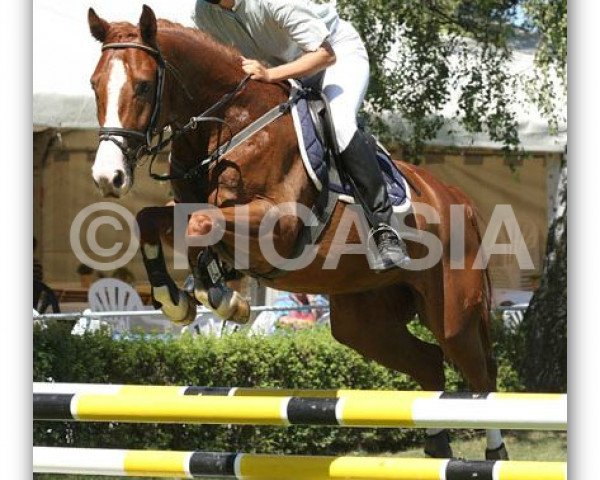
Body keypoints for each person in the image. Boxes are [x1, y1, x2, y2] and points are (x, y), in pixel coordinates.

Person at [194, 0, 410, 271]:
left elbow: (325, 55)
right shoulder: (204, 12)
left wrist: (270, 74)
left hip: (334, 57)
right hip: (282, 73)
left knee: (339, 122)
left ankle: (384, 229)